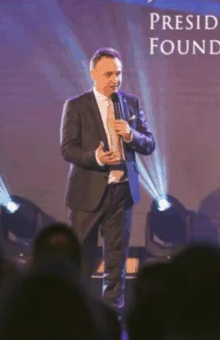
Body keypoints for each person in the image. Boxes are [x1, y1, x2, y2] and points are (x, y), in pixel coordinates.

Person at [60, 47, 156, 312]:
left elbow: (149, 144)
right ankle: (76, 316)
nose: (115, 79)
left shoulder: (131, 104)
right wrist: (98, 158)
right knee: (81, 260)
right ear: (93, 74)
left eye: (118, 73)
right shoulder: (77, 106)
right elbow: (67, 148)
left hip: (121, 194)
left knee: (116, 265)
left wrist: (130, 135)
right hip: (87, 196)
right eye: (108, 74)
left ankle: (112, 319)